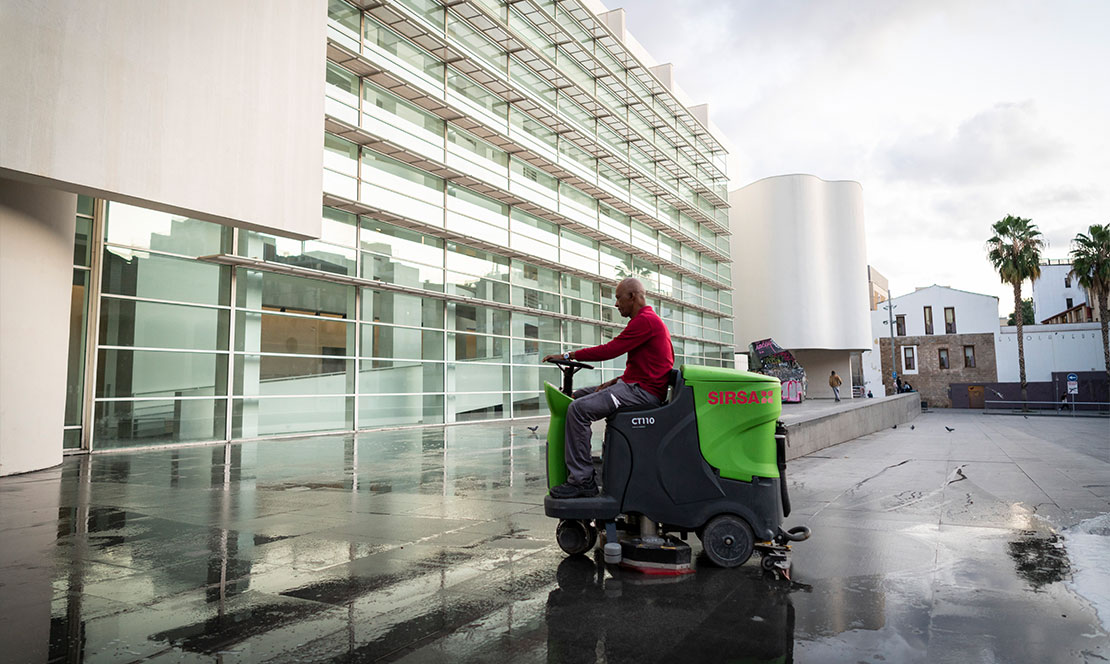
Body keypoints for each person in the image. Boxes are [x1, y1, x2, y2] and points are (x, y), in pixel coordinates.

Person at [542, 277, 674, 499]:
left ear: (632, 296)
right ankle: (579, 467)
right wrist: (617, 380)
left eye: (618, 298)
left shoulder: (646, 321)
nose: (616, 304)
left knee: (579, 410)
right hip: (635, 386)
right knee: (576, 397)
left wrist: (568, 355)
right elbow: (647, 366)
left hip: (643, 393)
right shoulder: (645, 321)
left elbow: (609, 350)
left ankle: (582, 480)